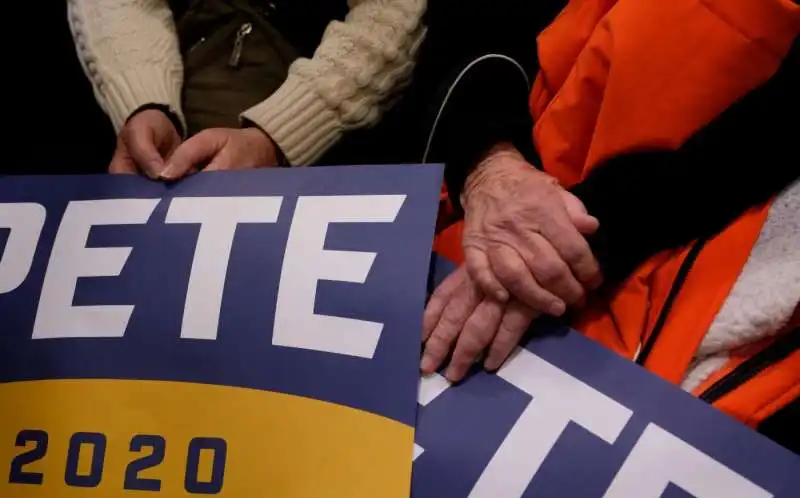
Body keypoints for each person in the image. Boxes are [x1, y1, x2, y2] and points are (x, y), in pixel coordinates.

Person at [421, 0, 800, 452]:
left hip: (680, 244)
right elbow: (471, 26)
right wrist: (488, 160)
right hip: (482, 200)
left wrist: (566, 237)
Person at [67, 0, 426, 178]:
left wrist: (276, 136)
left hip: (340, 132)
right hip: (175, 90)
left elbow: (393, 12)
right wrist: (143, 102)